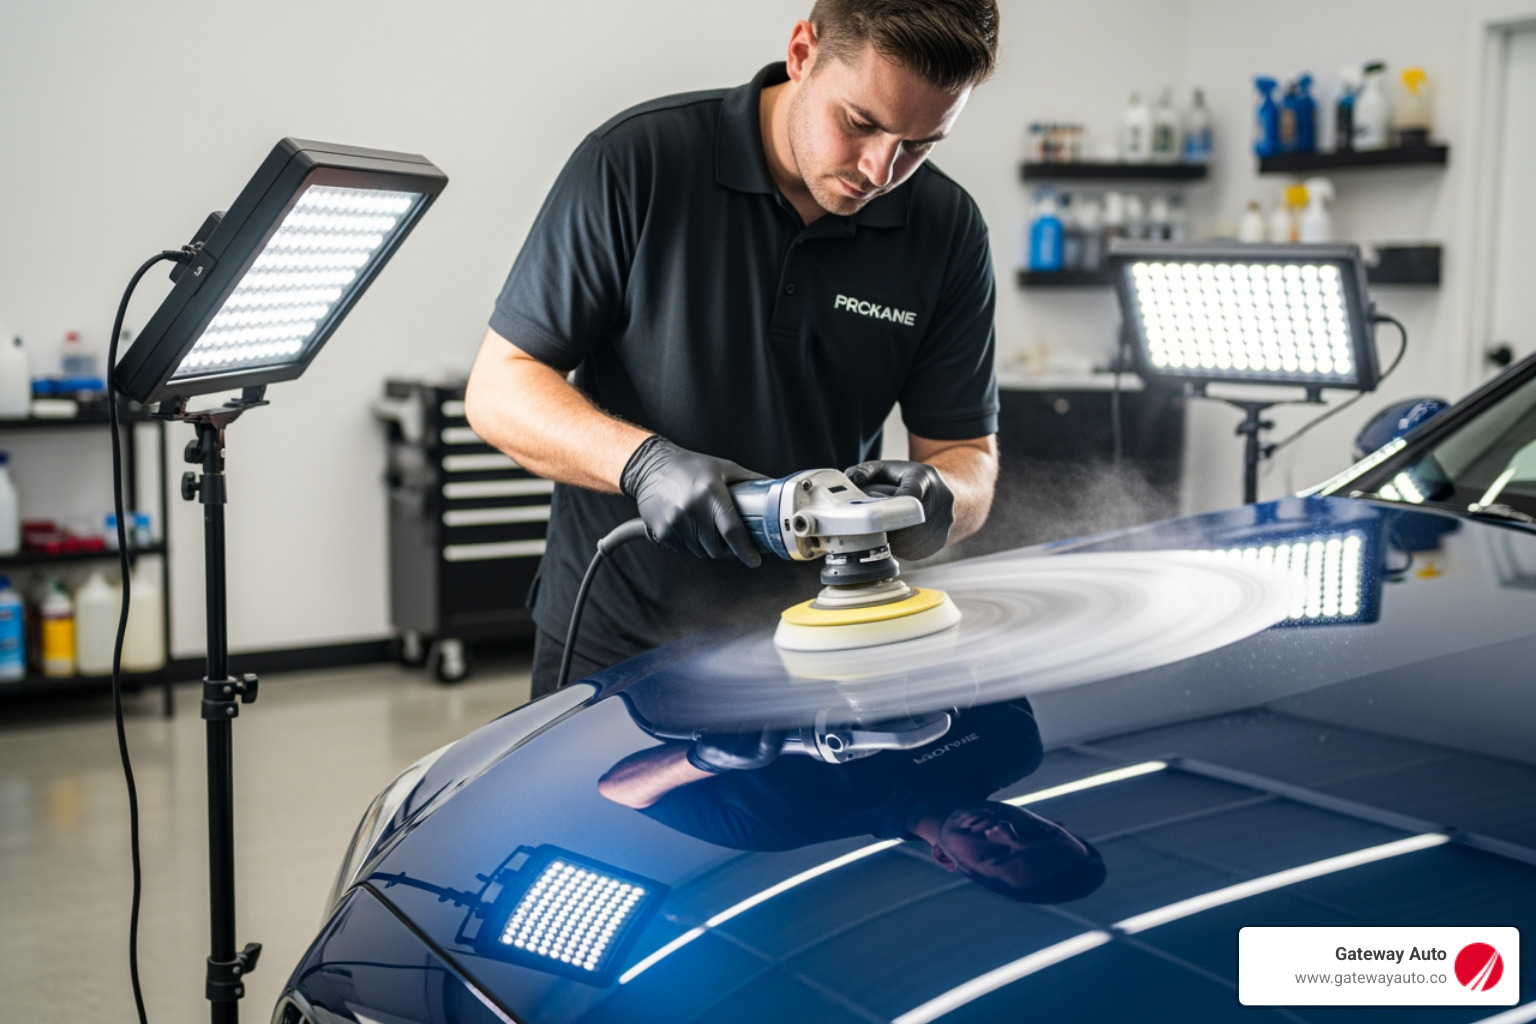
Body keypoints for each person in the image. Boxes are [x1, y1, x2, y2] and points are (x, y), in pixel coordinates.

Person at [466, 0, 1003, 697]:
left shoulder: (948, 230)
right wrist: (642, 465)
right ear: (803, 52)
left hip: (824, 646)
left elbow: (967, 457)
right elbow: (499, 388)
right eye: (860, 123)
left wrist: (941, 497)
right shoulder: (637, 162)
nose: (879, 170)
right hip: (616, 644)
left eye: (919, 145)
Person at [597, 697, 1106, 904]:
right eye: (1035, 833)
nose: (1001, 830)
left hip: (663, 652)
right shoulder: (1012, 748)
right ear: (1052, 821)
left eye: (995, 854)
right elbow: (973, 637)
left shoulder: (784, 826)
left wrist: (702, 759)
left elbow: (619, 788)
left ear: (947, 861)